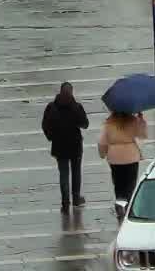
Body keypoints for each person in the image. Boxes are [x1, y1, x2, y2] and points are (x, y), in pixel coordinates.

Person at [41, 82, 90, 211]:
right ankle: (76, 198)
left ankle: (65, 202)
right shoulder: (76, 107)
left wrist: (51, 137)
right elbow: (85, 124)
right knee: (76, 172)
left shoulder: (51, 107)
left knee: (63, 174)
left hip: (59, 146)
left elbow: (45, 125)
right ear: (71, 92)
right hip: (75, 145)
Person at [98, 111, 147, 203]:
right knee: (130, 184)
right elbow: (142, 135)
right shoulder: (134, 121)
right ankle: (129, 204)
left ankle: (120, 204)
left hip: (115, 158)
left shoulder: (109, 123)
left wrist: (102, 154)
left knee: (118, 184)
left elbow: (102, 142)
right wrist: (141, 121)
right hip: (131, 156)